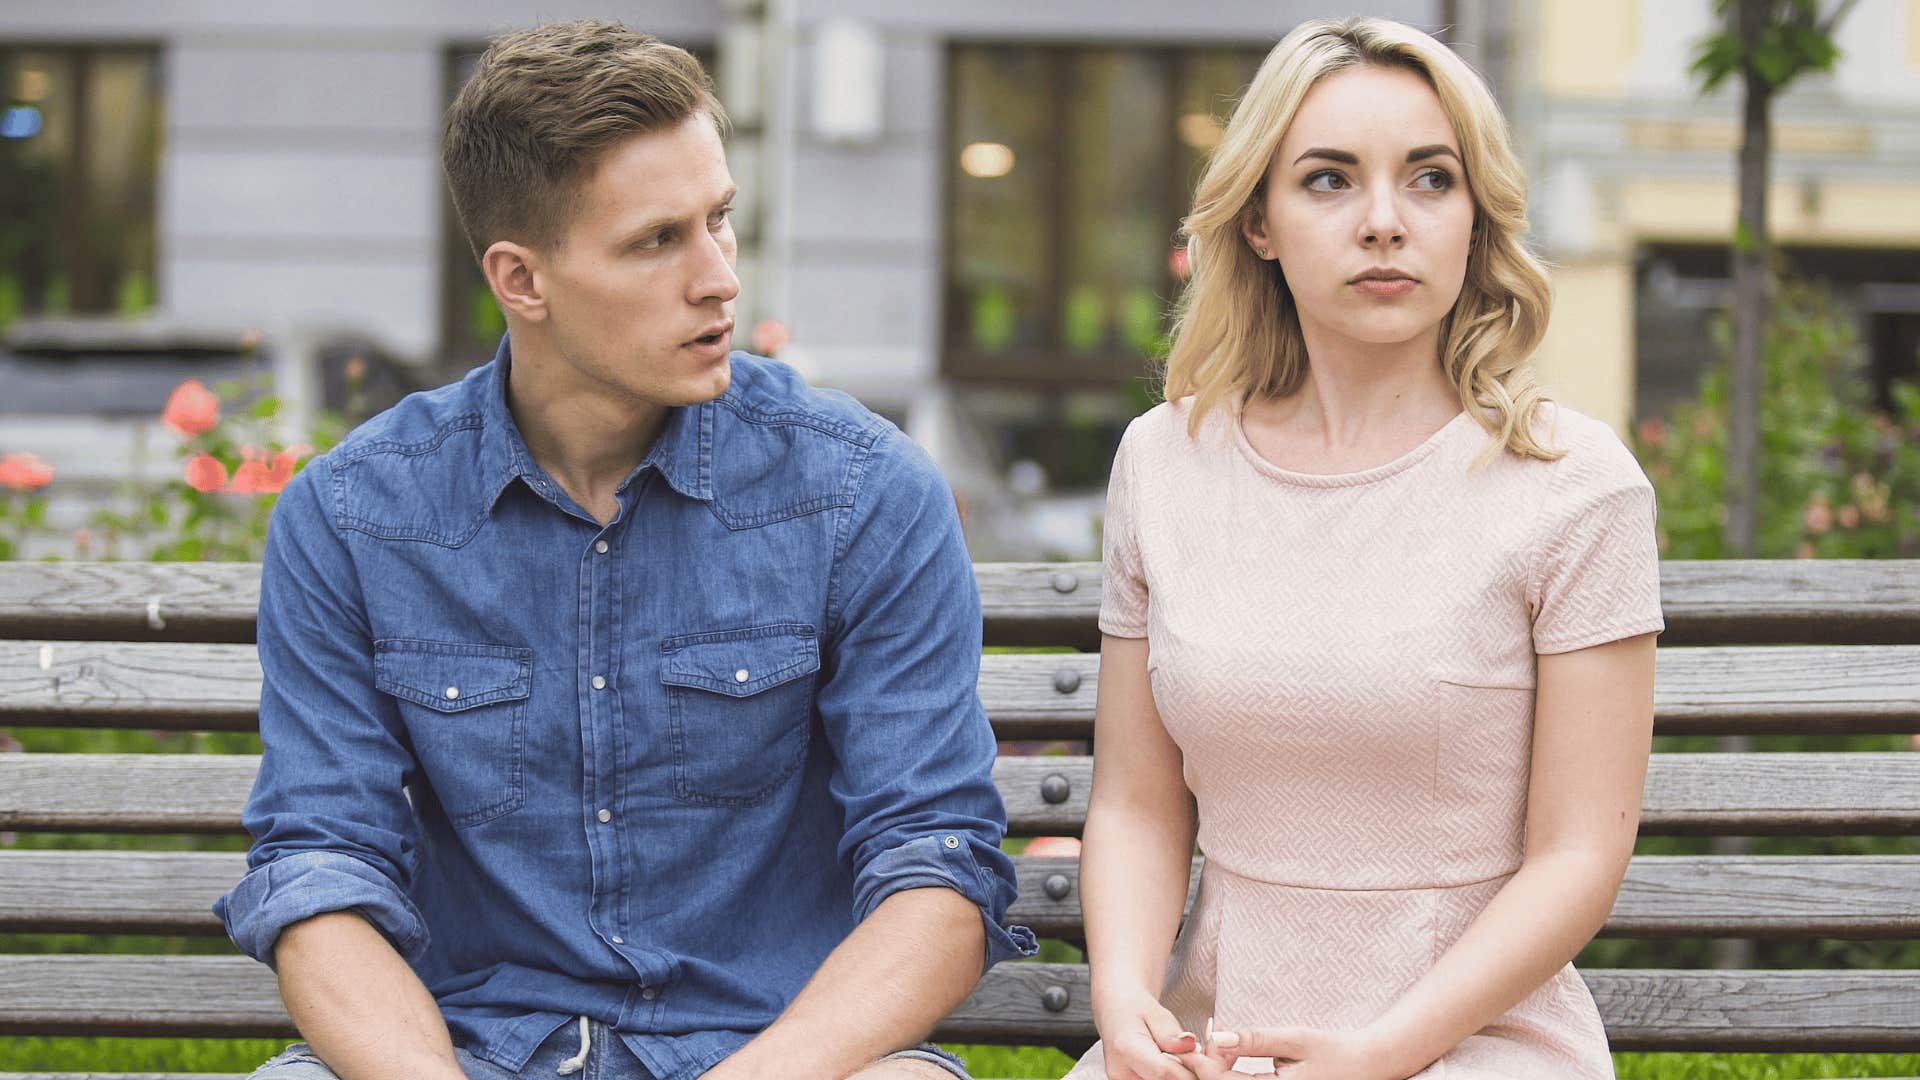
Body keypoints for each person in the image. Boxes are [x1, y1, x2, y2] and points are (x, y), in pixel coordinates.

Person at [214, 21, 1033, 1080]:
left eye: (722, 221)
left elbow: (938, 872)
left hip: (778, 1058)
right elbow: (320, 869)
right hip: (472, 1056)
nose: (720, 279)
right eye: (658, 241)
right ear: (523, 279)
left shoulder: (860, 494)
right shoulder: (357, 515)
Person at [1067, 17, 1662, 1080]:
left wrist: (1384, 1053)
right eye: (1330, 181)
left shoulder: (1574, 485)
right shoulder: (1163, 462)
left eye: (1431, 180)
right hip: (1217, 1036)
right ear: (1258, 220)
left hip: (1475, 1043)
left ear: (1475, 216)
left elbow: (1579, 854)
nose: (1385, 222)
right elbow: (1135, 805)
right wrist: (1123, 1004)